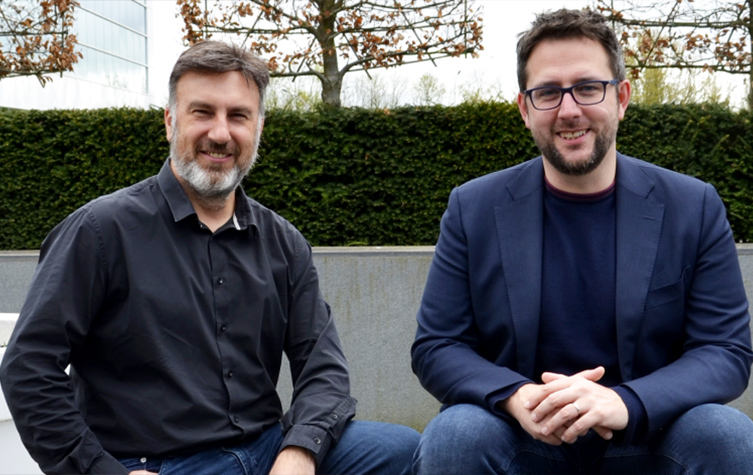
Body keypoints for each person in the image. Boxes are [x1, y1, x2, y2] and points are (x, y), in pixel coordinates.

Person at [0, 40, 419, 475]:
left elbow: (323, 367)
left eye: (238, 116)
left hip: (268, 448)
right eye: (202, 112)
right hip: (160, 464)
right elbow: (29, 368)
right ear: (169, 121)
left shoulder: (283, 243)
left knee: (402, 449)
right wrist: (101, 471)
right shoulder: (99, 232)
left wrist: (301, 451)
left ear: (258, 128)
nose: (220, 133)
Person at [411, 8, 753, 475]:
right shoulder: (473, 208)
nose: (569, 110)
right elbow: (437, 344)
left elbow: (725, 350)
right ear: (524, 109)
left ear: (622, 98)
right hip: (523, 439)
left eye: (588, 88)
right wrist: (516, 396)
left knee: (728, 434)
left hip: (649, 438)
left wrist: (626, 401)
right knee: (455, 434)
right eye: (548, 92)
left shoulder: (693, 206)